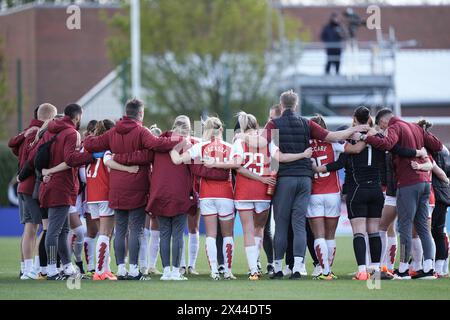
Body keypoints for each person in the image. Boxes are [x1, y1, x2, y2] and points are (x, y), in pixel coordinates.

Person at [263, 90, 368, 280]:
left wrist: (240, 137)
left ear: (281, 105)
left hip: (286, 178)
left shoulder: (274, 125)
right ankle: (299, 268)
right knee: (299, 225)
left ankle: (278, 267)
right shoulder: (307, 123)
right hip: (306, 180)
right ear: (296, 105)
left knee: (281, 224)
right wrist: (355, 130)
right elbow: (333, 136)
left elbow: (266, 147)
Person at [83, 98, 182, 280]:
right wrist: (180, 138)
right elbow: (158, 146)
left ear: (126, 112)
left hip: (116, 188)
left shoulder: (113, 132)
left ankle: (121, 269)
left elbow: (90, 145)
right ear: (140, 113)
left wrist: (118, 156)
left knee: (120, 230)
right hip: (137, 185)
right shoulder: (141, 131)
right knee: (136, 229)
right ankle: (134, 270)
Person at [361, 108, 443, 279]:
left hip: (408, 183)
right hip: (425, 184)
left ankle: (404, 269)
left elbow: (387, 144)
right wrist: (419, 149)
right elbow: (437, 145)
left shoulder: (395, 127)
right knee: (422, 229)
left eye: (381, 125)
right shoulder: (415, 127)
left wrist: (365, 137)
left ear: (384, 122)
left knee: (404, 227)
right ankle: (428, 269)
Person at [316, 107, 391, 280]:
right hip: (376, 190)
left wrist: (321, 168)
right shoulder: (380, 138)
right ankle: (375, 270)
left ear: (354, 119)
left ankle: (362, 271)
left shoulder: (351, 139)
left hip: (358, 189)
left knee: (359, 232)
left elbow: (343, 159)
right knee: (373, 231)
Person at [31, 103, 95, 280]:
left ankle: (66, 266)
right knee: (53, 231)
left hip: (49, 185)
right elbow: (70, 159)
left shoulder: (50, 129)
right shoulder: (71, 132)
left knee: (64, 230)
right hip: (62, 186)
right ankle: (52, 269)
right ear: (77, 116)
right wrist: (92, 155)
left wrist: (44, 172)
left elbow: (37, 156)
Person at [170, 117, 236, 280]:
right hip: (226, 194)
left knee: (211, 235)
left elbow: (177, 159)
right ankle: (227, 271)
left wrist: (177, 146)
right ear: (221, 130)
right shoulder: (230, 147)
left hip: (207, 195)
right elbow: (238, 165)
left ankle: (214, 271)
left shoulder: (199, 147)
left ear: (206, 130)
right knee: (227, 234)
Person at [9, 103, 58, 279]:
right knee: (35, 228)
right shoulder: (42, 133)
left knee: (29, 228)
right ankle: (31, 269)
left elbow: (13, 146)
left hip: (23, 187)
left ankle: (25, 268)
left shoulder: (27, 131)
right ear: (51, 117)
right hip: (32, 185)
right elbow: (33, 159)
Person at [307, 115, 344, 280]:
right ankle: (329, 271)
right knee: (330, 235)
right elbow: (349, 152)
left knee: (319, 235)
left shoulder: (305, 145)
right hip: (333, 193)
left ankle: (325, 271)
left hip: (313, 194)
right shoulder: (333, 143)